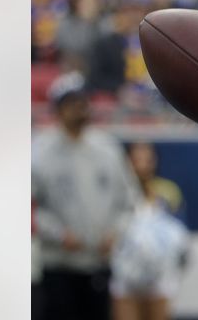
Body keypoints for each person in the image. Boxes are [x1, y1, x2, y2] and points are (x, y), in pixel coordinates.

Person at [32, 72, 140, 320]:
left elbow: (128, 200)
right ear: (58, 109)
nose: (80, 108)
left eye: (83, 101)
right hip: (58, 264)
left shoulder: (107, 150)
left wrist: (116, 232)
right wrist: (58, 233)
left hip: (99, 263)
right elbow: (28, 207)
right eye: (72, 103)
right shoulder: (39, 153)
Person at [111, 142, 190, 320]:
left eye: (148, 159)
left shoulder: (167, 191)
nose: (143, 165)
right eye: (137, 159)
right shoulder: (118, 192)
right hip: (125, 275)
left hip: (159, 276)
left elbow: (179, 233)